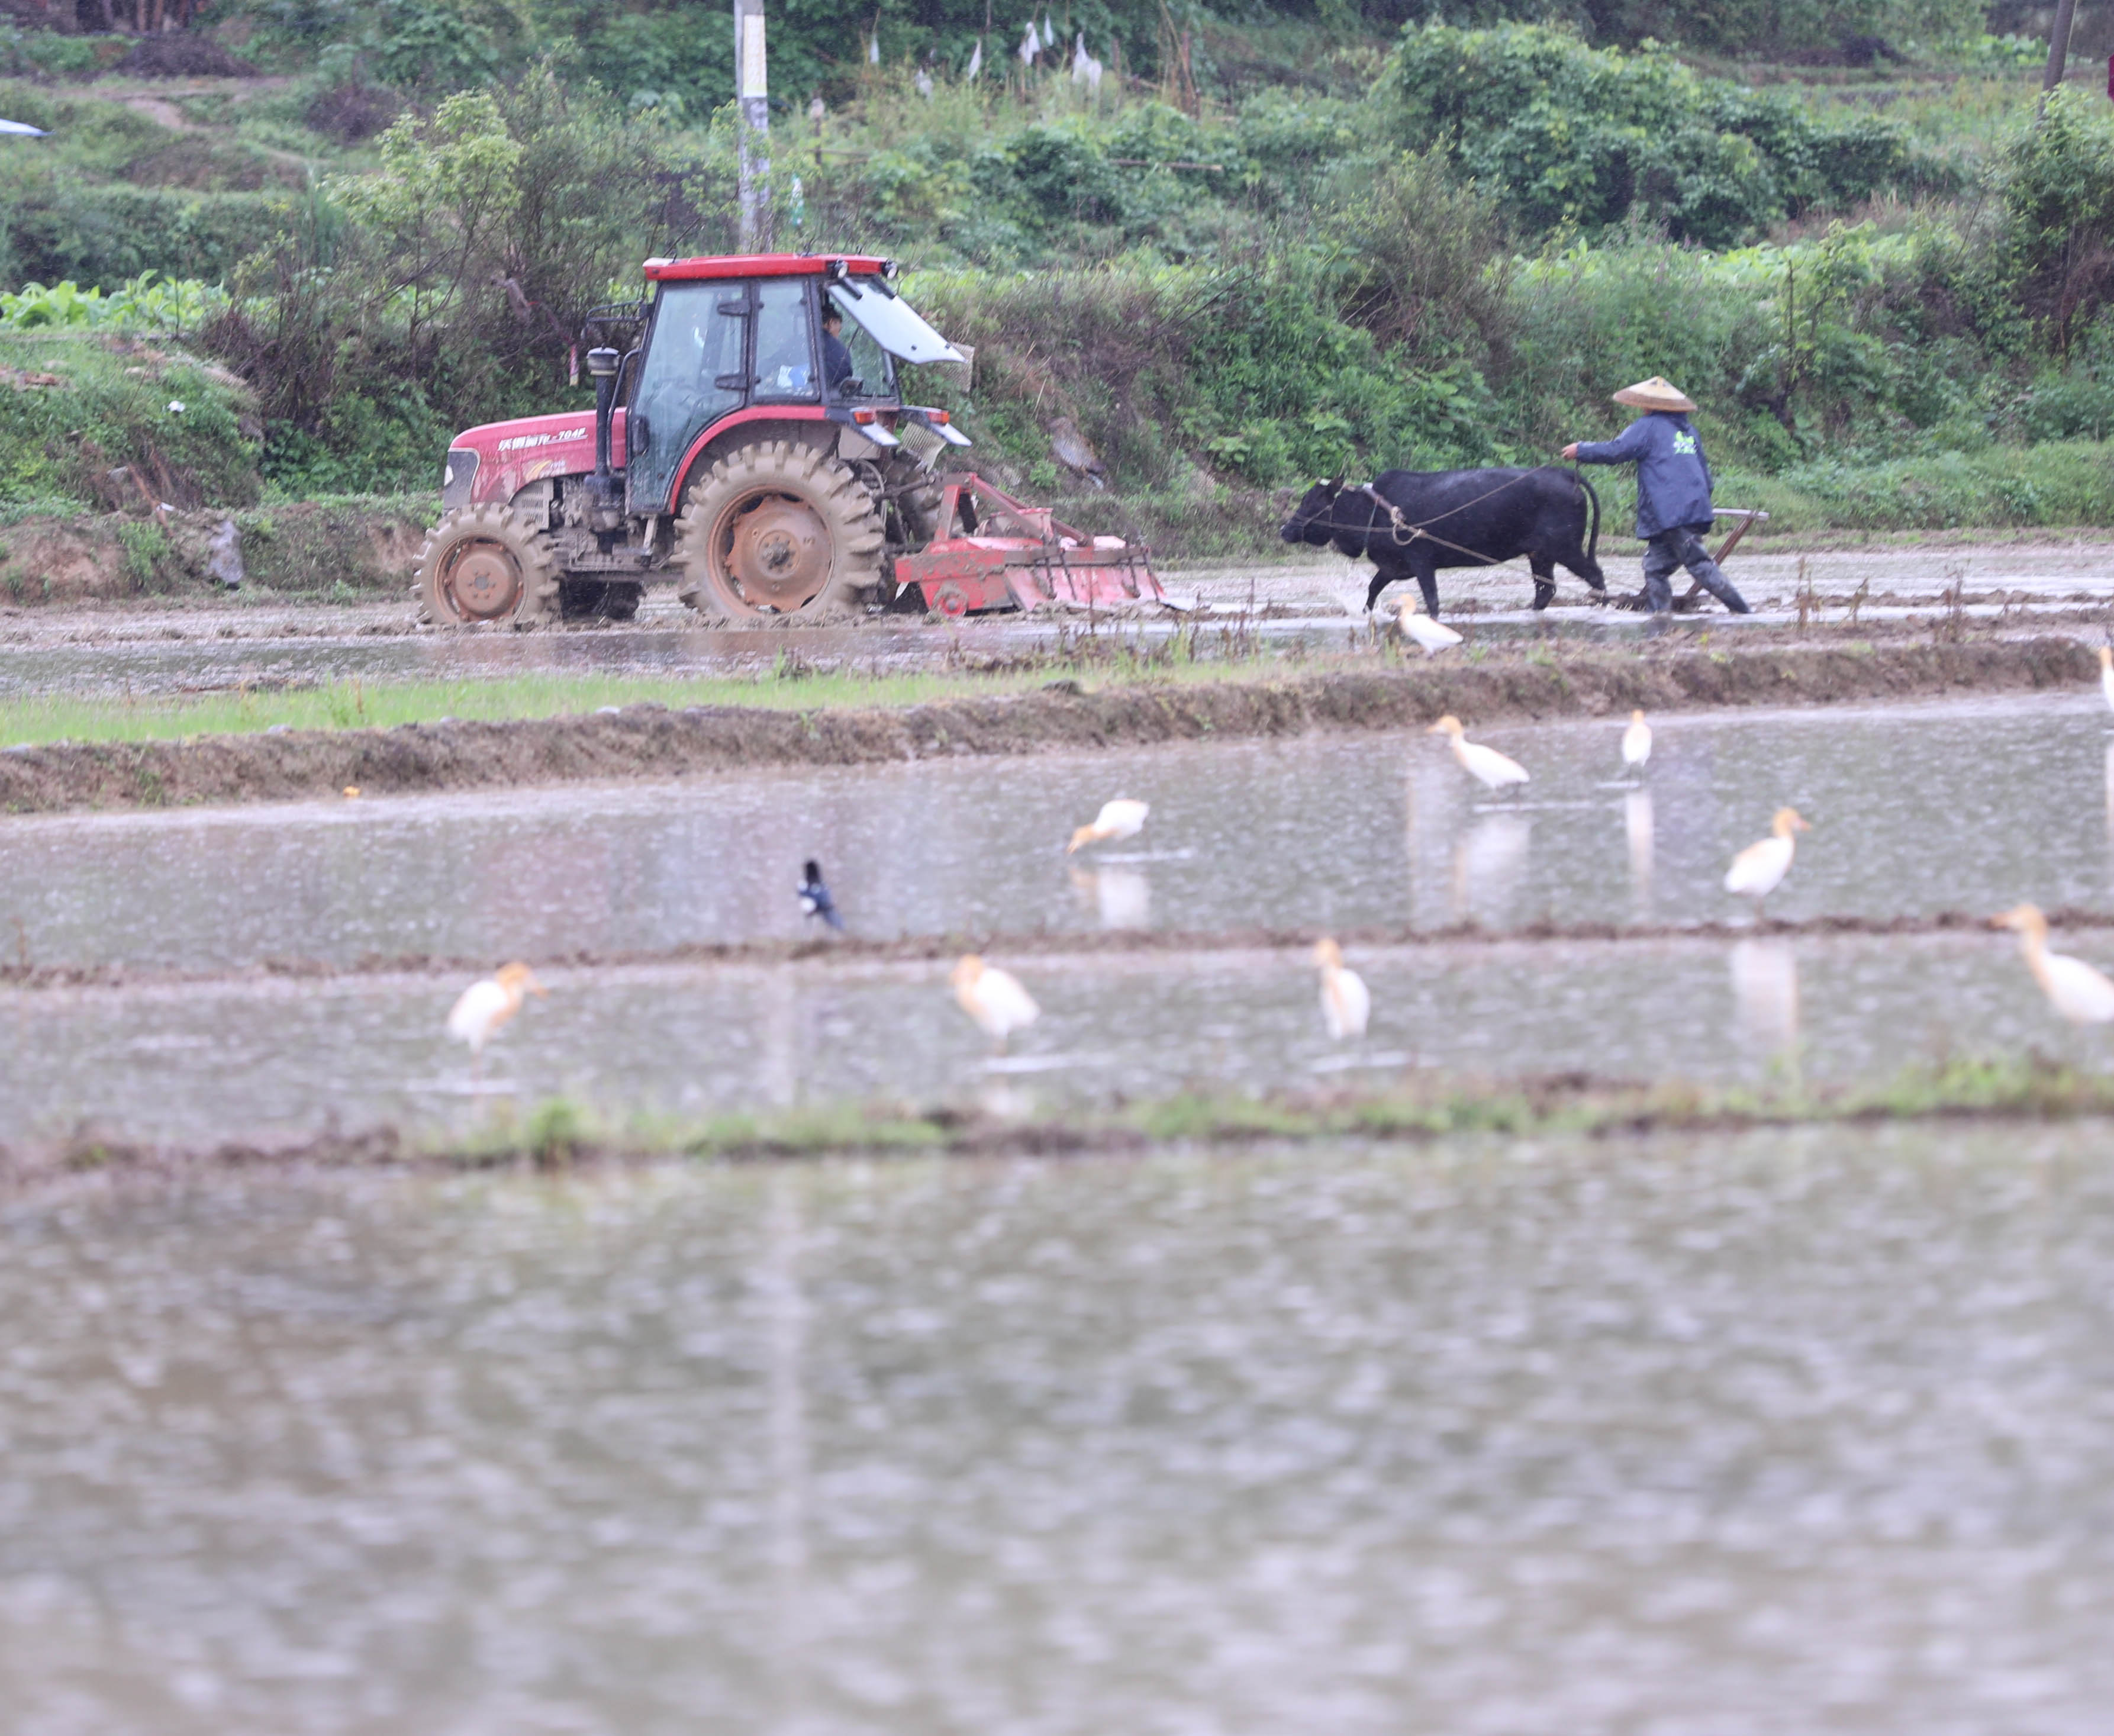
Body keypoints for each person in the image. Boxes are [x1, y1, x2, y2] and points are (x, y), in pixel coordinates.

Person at [1562, 376, 1750, 615]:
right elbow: (1706, 477)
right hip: (1686, 511)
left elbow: (1617, 451)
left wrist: (1581, 450)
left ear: (1651, 405)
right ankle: (1659, 617)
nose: (1642, 407)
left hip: (1672, 513)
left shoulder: (1648, 427)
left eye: (1645, 404)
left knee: (1700, 566)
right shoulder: (1689, 432)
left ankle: (1745, 612)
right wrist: (1695, 504)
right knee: (1655, 569)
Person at [820, 304, 856, 396]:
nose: (838, 335)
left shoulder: (802, 344)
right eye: (839, 330)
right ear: (831, 323)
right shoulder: (842, 353)